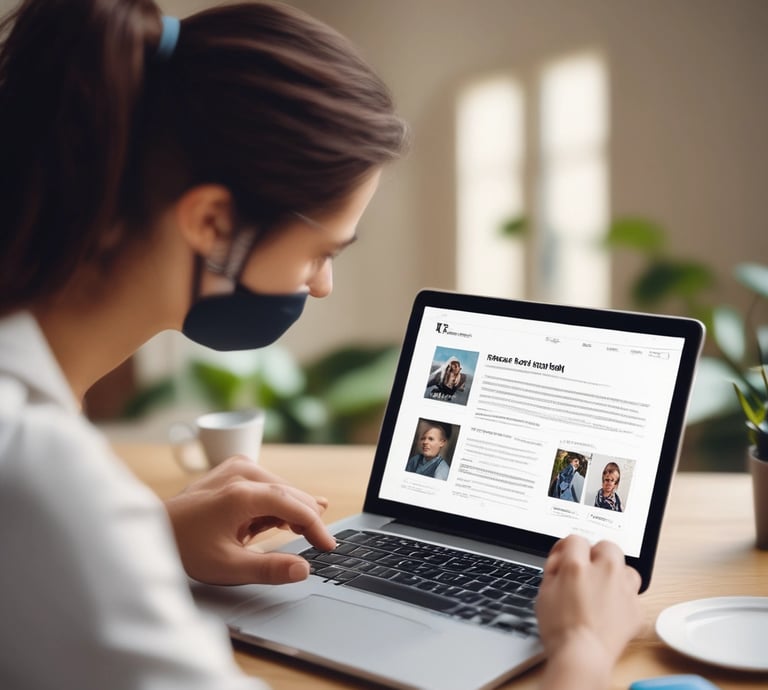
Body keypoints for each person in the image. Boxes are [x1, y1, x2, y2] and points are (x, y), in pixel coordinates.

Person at [0, 1, 642, 688]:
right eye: (321, 250)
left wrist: (144, 539)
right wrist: (581, 647)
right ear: (213, 223)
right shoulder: (43, 475)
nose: (323, 285)